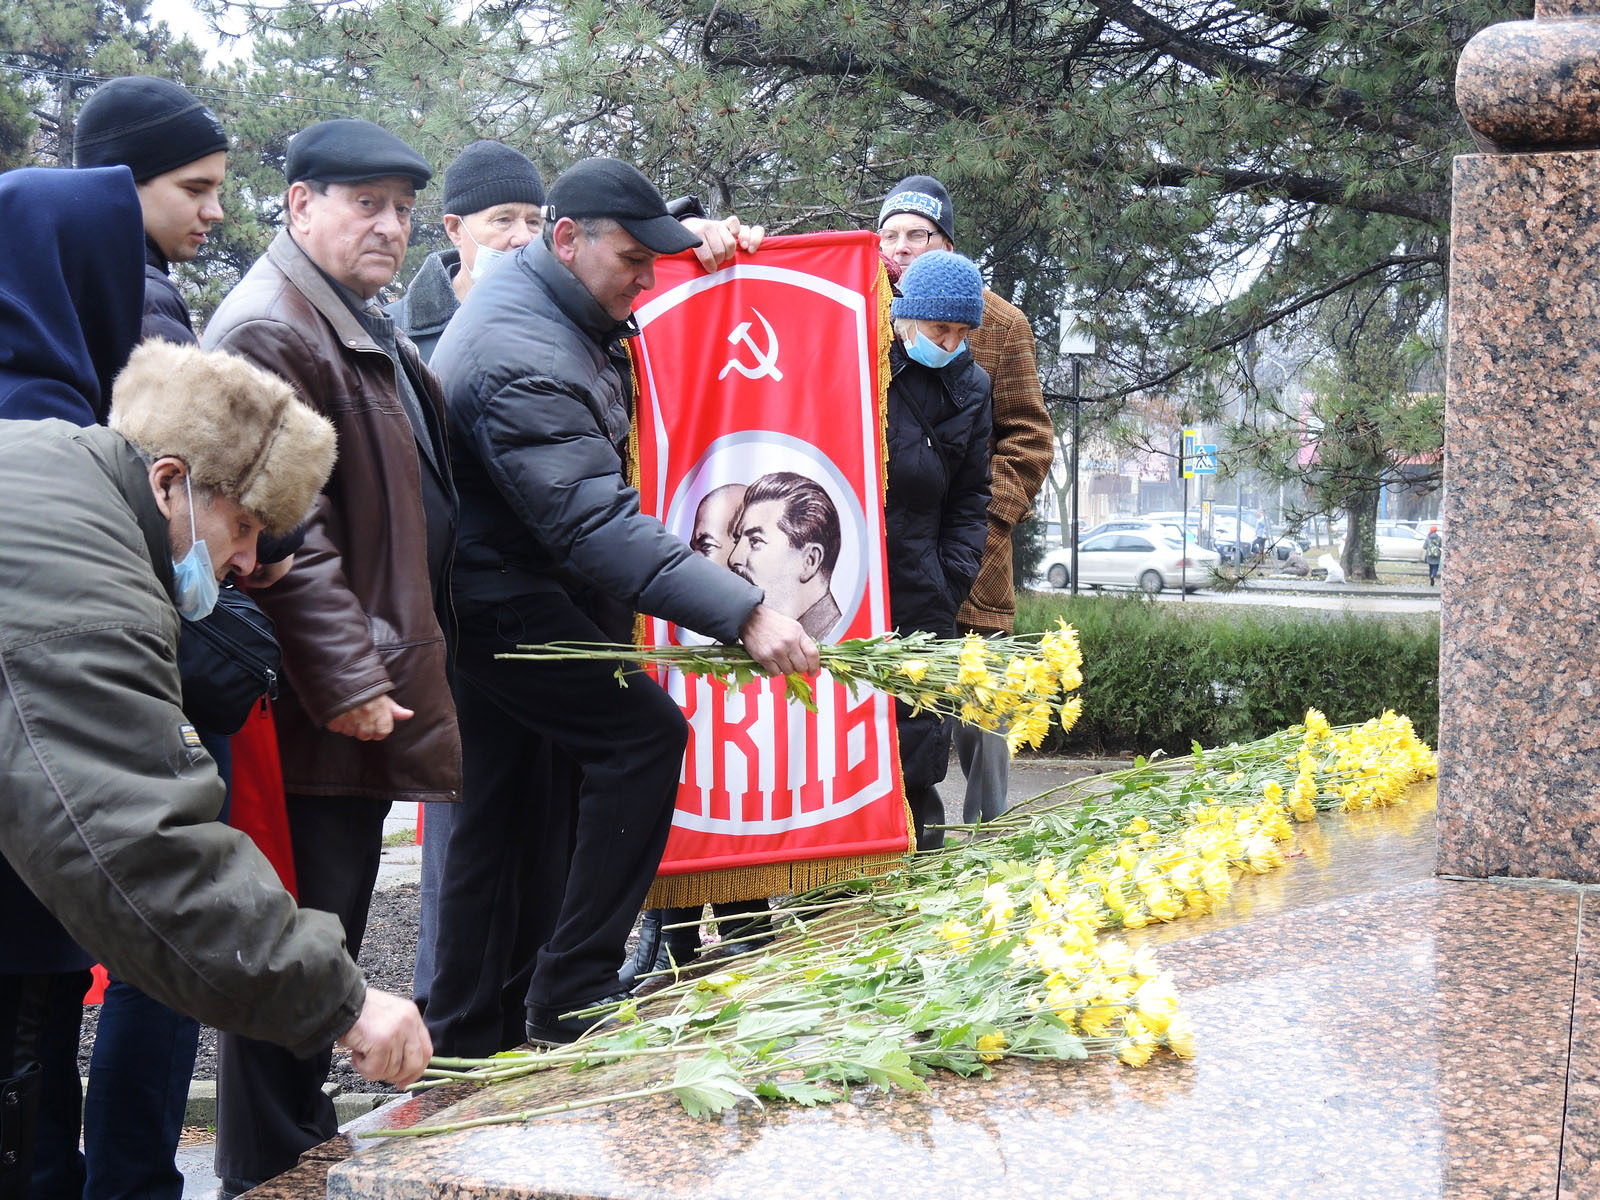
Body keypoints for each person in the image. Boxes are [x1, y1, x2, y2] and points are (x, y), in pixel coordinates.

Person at [0, 318, 431, 1199]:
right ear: (170, 481)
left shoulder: (55, 468)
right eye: (241, 527)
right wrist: (343, 1002)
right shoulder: (83, 584)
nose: (244, 562)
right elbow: (134, 845)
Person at [428, 156, 818, 1053]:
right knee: (643, 737)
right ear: (568, 240)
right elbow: (592, 523)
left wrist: (686, 234)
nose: (646, 282)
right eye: (635, 262)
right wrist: (746, 612)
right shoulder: (521, 355)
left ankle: (472, 1034)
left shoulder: (549, 292)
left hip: (501, 586)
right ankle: (574, 987)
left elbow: (624, 244)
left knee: (505, 816)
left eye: (654, 261)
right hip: (502, 600)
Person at [199, 118, 461, 1197]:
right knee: (300, 938)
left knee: (325, 930)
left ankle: (298, 1152)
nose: (390, 226)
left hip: (352, 685)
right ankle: (273, 1167)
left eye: (402, 208)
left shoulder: (346, 315)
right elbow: (281, 538)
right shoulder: (273, 325)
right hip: (316, 703)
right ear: (300, 203)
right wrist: (350, 678)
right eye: (366, 203)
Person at [877, 174, 1051, 829]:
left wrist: (980, 532)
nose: (901, 248)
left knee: (982, 716)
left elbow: (1028, 437)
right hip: (894, 564)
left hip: (968, 555)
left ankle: (989, 841)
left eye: (917, 235)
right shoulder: (865, 315)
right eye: (890, 236)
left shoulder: (1000, 323)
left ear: (946, 243)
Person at [884, 250, 993, 850]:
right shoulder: (869, 363)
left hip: (925, 590)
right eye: (938, 328)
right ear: (907, 317)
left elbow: (972, 496)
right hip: (854, 581)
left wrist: (951, 578)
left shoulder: (973, 387)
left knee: (918, 743)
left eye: (960, 331)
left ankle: (917, 866)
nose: (949, 342)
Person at [388, 139, 547, 364]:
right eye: (503, 220)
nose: (524, 238)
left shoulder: (566, 325)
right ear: (455, 229)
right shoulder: (392, 334)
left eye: (533, 222)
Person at [728, 471, 844, 640]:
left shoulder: (841, 643)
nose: (733, 559)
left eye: (755, 541)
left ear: (809, 560)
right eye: (738, 540)